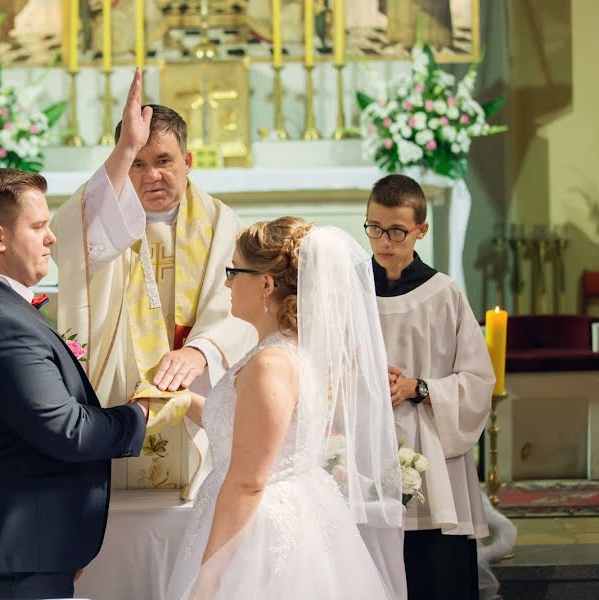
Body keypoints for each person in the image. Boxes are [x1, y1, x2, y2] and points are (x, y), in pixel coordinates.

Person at [0, 168, 150, 600]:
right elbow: (67, 430)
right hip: (9, 554)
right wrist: (139, 414)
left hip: (18, 545)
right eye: (38, 226)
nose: (50, 238)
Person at [164, 218, 404, 599]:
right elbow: (243, 428)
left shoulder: (270, 364)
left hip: (260, 534)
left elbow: (248, 482)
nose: (227, 283)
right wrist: (180, 401)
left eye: (234, 271)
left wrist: (207, 578)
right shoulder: (282, 349)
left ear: (266, 283)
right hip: (269, 511)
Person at [51, 67, 254, 495]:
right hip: (121, 387)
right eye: (137, 163)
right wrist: (123, 151)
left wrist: (202, 351)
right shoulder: (109, 218)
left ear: (188, 161)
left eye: (163, 161)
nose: (150, 176)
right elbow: (69, 238)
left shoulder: (221, 224)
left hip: (195, 391)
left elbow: (241, 302)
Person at [365, 174, 494, 600]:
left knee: (437, 577)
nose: (385, 241)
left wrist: (418, 387)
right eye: (375, 228)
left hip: (433, 459)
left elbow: (477, 382)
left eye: (398, 231)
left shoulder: (444, 294)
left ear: (421, 230)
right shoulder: (351, 292)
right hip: (365, 448)